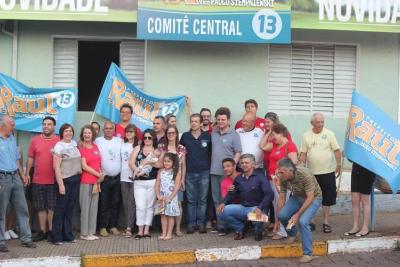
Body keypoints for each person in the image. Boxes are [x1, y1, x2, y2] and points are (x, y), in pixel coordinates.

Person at [299, 112, 341, 233]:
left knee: (327, 198)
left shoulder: (329, 134)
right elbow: (303, 154)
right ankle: (312, 220)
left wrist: (338, 164)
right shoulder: (306, 135)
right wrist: (301, 168)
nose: (320, 124)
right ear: (312, 123)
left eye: (322, 122)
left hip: (328, 172)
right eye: (318, 122)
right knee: (311, 197)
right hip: (311, 173)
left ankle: (326, 221)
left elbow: (337, 150)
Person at [216, 154, 273, 241]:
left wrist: (260, 207)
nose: (244, 165)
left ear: (253, 164)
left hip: (258, 209)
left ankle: (258, 228)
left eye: (246, 163)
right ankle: (240, 228)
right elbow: (232, 194)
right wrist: (224, 203)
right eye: (242, 163)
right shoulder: (238, 179)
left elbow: (269, 194)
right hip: (243, 208)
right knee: (220, 211)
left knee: (258, 234)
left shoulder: (261, 177)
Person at [0, 115, 36, 252]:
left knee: (23, 209)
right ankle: (1, 241)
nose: (14, 127)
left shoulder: (12, 138)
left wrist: (22, 175)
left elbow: (16, 160)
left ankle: (26, 238)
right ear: (4, 125)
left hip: (15, 176)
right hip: (2, 177)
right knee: (1, 211)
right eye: (12, 125)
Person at [276, 158, 322, 263]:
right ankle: (292, 234)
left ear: (290, 170)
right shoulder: (283, 177)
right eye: (279, 172)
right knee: (282, 215)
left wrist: (297, 214)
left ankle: (308, 254)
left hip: (314, 198)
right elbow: (281, 198)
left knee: (303, 221)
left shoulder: (305, 174)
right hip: (297, 197)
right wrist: (277, 220)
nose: (279, 175)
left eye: (282, 172)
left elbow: (310, 197)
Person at [261, 123, 298, 240]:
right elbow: (262, 145)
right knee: (277, 205)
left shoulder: (290, 146)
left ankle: (284, 231)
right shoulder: (275, 145)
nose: (272, 138)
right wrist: (269, 132)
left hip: (284, 183)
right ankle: (277, 228)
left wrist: (280, 172)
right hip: (273, 181)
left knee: (283, 206)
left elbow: (294, 163)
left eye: (274, 135)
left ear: (281, 134)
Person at [26, 116, 59, 242]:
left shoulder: (59, 140)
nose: (46, 126)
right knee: (40, 207)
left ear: (54, 126)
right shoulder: (35, 140)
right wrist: (27, 173)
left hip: (53, 180)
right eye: (44, 124)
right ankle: (42, 231)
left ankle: (50, 230)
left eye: (49, 124)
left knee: (51, 207)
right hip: (38, 180)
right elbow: (30, 158)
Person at [180, 114, 211, 234]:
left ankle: (201, 223)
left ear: (200, 123)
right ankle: (191, 224)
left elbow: (211, 153)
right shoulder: (185, 137)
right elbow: (181, 154)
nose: (193, 123)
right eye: (192, 121)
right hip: (190, 173)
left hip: (204, 172)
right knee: (191, 200)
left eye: (196, 121)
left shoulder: (207, 136)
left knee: (202, 200)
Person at [52, 123, 82, 245]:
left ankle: (68, 235)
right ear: (61, 133)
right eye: (66, 131)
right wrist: (61, 185)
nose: (68, 133)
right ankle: (56, 237)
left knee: (69, 209)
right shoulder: (58, 146)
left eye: (70, 131)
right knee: (60, 209)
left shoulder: (74, 144)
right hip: (64, 181)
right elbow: (56, 167)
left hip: (75, 180)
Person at [129, 129, 162, 239]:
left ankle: (146, 230)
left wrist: (150, 162)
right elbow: (131, 163)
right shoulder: (138, 148)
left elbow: (160, 165)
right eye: (145, 137)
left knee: (149, 206)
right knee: (140, 206)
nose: (147, 139)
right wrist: (137, 171)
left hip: (152, 181)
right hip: (139, 182)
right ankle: (140, 230)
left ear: (153, 138)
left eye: (149, 137)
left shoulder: (157, 151)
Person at [210, 107, 241, 216]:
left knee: (226, 199)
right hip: (214, 171)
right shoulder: (213, 133)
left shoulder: (234, 134)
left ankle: (227, 224)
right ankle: (220, 225)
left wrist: (232, 168)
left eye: (223, 119)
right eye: (218, 119)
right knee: (216, 199)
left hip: (227, 173)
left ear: (228, 120)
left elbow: (238, 152)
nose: (220, 122)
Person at [95, 121, 123, 237]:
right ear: (103, 130)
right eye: (106, 128)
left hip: (117, 177)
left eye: (111, 128)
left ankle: (113, 226)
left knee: (115, 203)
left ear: (114, 130)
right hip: (104, 178)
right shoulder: (98, 141)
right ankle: (102, 227)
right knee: (103, 204)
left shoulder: (119, 141)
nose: (108, 130)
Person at [161, 125, 186, 236]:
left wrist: (183, 180)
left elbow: (183, 166)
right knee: (165, 205)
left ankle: (177, 228)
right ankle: (166, 231)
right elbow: (159, 163)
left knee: (178, 204)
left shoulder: (181, 148)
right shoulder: (162, 147)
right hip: (165, 181)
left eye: (172, 133)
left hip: (177, 180)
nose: (170, 135)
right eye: (168, 133)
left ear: (176, 134)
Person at [79, 125, 102, 241]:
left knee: (93, 208)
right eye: (85, 133)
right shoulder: (81, 148)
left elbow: (98, 163)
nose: (87, 135)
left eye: (89, 133)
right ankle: (84, 233)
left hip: (96, 182)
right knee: (85, 208)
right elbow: (84, 166)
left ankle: (91, 232)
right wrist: (98, 174)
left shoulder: (96, 147)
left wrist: (100, 174)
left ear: (93, 134)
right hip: (86, 181)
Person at [344, 162, 375, 238]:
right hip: (356, 168)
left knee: (365, 201)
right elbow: (351, 158)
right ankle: (355, 227)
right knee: (355, 200)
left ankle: (365, 228)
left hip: (368, 169)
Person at [155, 153, 181, 240]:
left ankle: (169, 234)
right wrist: (158, 195)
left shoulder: (176, 172)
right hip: (162, 198)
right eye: (165, 161)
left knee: (170, 215)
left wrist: (170, 197)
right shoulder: (160, 172)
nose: (166, 163)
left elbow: (177, 187)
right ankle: (164, 233)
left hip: (171, 198)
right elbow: (157, 184)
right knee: (163, 215)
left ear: (173, 162)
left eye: (169, 161)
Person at [120, 124, 139, 238]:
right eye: (127, 132)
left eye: (131, 132)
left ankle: (129, 228)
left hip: (135, 178)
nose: (129, 134)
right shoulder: (122, 145)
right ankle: (129, 225)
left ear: (135, 133)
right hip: (123, 177)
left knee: (132, 203)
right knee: (126, 203)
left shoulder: (138, 146)